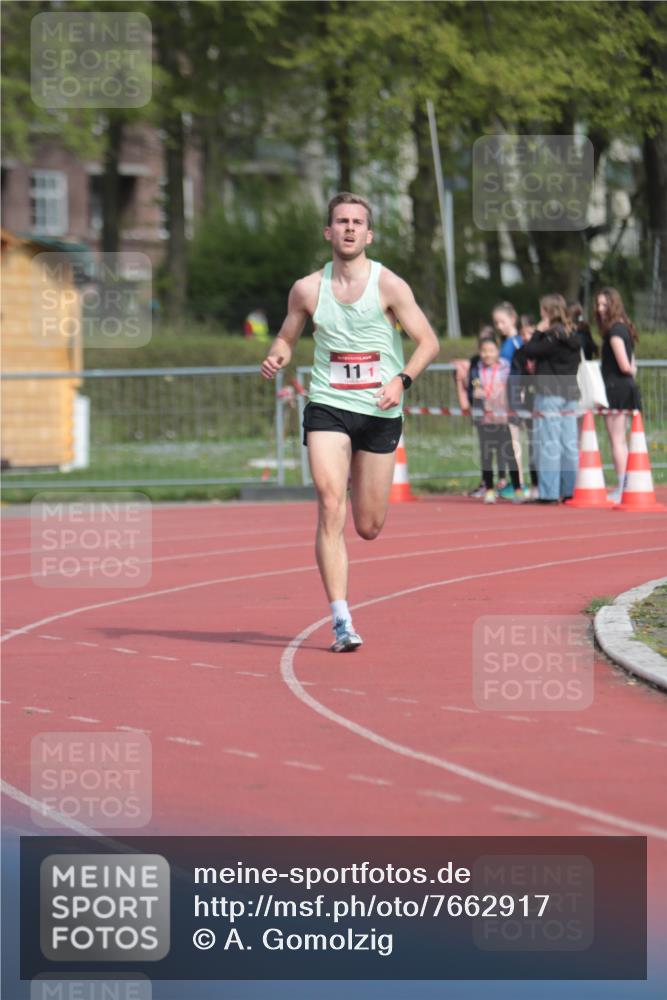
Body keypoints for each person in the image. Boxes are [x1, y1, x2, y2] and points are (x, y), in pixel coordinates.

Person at [260, 192, 439, 651]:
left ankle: (361, 477)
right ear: (329, 232)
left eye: (358, 222)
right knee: (329, 501)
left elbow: (428, 342)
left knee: (369, 526)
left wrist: (401, 380)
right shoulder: (307, 289)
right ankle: (341, 620)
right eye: (342, 221)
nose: (350, 228)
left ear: (369, 235)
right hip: (328, 404)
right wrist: (278, 355)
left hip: (379, 409)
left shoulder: (389, 285)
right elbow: (286, 336)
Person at [515, 294, 581, 503]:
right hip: (570, 393)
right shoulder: (573, 333)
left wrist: (537, 332)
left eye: (542, 310)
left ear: (547, 312)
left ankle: (549, 492)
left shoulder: (551, 335)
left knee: (548, 443)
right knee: (569, 443)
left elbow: (527, 351)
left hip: (549, 393)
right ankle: (569, 489)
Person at [595, 286, 641, 503]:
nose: (600, 309)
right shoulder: (625, 328)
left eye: (604, 304)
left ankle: (623, 486)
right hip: (625, 387)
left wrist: (628, 370)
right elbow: (632, 364)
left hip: (616, 389)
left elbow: (625, 364)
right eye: (598, 304)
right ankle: (626, 484)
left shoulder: (614, 332)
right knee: (621, 439)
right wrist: (631, 370)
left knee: (617, 440)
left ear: (614, 305)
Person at [467, 335, 522, 504]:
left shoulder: (506, 368)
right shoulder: (476, 370)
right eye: (484, 351)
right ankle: (489, 489)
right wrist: (474, 394)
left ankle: (517, 489)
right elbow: (471, 388)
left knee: (509, 454)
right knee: (486, 455)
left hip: (502, 417)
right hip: (485, 418)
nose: (487, 354)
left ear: (497, 351)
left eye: (491, 350)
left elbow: (515, 385)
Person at [453, 325, 497, 497]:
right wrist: (476, 390)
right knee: (486, 448)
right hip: (480, 410)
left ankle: (505, 481)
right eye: (483, 346)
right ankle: (487, 483)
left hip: (498, 411)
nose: (486, 352)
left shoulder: (501, 365)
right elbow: (474, 379)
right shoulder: (475, 362)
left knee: (503, 449)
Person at [493, 301, 525, 494]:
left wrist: (521, 389)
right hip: (504, 395)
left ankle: (519, 482)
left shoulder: (517, 342)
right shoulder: (505, 343)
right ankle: (516, 480)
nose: (499, 326)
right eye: (496, 323)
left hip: (514, 394)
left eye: (502, 322)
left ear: (513, 319)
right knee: (510, 440)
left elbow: (523, 367)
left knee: (514, 439)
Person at [510, 316, 539, 499]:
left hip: (545, 400)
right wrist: (517, 406)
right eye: (523, 334)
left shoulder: (543, 350)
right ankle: (536, 484)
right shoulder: (519, 354)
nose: (526, 337)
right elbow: (515, 380)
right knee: (533, 445)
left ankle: (554, 483)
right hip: (528, 404)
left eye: (530, 332)